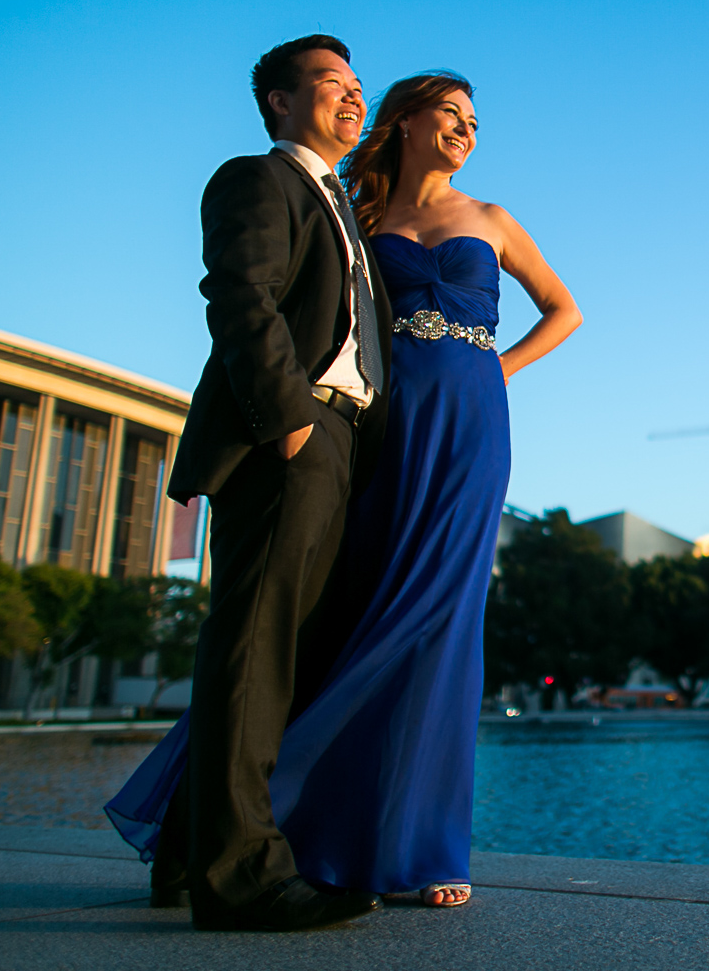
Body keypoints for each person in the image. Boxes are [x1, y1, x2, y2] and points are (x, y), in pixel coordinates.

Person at [108, 68, 580, 914]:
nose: (468, 128)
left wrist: (495, 372)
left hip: (471, 428)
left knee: (442, 620)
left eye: (476, 119)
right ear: (404, 122)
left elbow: (564, 310)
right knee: (343, 615)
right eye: (451, 113)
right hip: (381, 430)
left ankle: (423, 843)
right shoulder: (360, 218)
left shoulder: (493, 220)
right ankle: (282, 829)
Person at [117, 34, 392, 932]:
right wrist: (290, 422)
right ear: (278, 100)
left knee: (272, 651)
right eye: (329, 84)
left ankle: (189, 855)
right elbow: (241, 298)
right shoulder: (258, 178)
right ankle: (242, 880)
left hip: (335, 440)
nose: (352, 98)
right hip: (293, 432)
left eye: (357, 86)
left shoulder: (340, 206)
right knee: (253, 649)